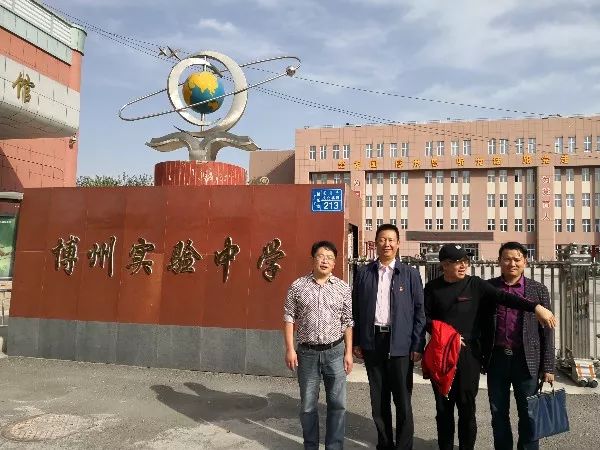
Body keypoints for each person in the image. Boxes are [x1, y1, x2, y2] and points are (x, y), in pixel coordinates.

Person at [424, 244, 556, 450]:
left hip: (479, 355)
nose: (463, 266)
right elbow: (422, 318)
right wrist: (448, 336)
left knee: (470, 409)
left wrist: (535, 307)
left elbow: (506, 299)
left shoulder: (476, 285)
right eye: (457, 262)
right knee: (446, 409)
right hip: (449, 355)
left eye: (465, 261)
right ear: (444, 265)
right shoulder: (433, 288)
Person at [352, 223, 426, 450]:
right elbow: (356, 310)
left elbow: (419, 312)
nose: (387, 244)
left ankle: (403, 446)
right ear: (376, 243)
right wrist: (357, 340)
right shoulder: (364, 273)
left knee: (402, 400)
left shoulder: (410, 274)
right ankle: (384, 444)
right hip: (373, 342)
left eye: (391, 240)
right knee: (379, 399)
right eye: (382, 239)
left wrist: (417, 344)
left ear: (398, 243)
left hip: (400, 344)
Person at [482, 242, 555, 450]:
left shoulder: (538, 290)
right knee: (498, 413)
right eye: (507, 259)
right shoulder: (489, 288)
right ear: (499, 261)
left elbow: (548, 330)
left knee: (529, 414)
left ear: (525, 261)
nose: (512, 263)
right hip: (497, 359)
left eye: (517, 259)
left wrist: (548, 367)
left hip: (527, 360)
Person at [283, 240, 353, 450]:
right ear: (313, 259)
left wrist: (348, 352)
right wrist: (290, 349)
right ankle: (311, 446)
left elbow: (348, 322)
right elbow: (289, 317)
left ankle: (334, 446)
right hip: (307, 353)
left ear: (334, 263)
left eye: (330, 258)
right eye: (321, 256)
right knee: (307, 406)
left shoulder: (343, 288)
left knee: (337, 405)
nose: (325, 260)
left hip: (335, 352)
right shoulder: (298, 286)